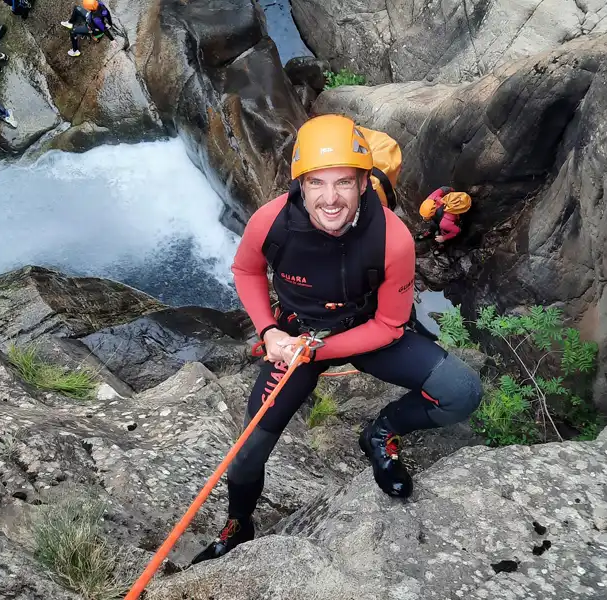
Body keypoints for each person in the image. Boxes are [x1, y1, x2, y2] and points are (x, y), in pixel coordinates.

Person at [190, 114, 483, 564]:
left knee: (461, 392)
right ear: (300, 184)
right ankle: (237, 525)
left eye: (344, 182)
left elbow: (389, 324)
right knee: (247, 454)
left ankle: (382, 431)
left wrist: (317, 350)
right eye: (317, 183)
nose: (330, 199)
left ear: (365, 182)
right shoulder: (272, 223)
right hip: (294, 334)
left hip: (365, 331)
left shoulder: (393, 237)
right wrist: (269, 332)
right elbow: (246, 270)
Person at [416, 186, 471, 254]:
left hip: (447, 221)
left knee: (444, 231)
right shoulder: (431, 198)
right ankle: (430, 232)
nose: (423, 218)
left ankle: (443, 245)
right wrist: (452, 191)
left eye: (425, 217)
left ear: (431, 213)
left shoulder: (445, 223)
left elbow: (457, 231)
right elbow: (444, 188)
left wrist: (444, 238)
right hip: (439, 217)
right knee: (433, 224)